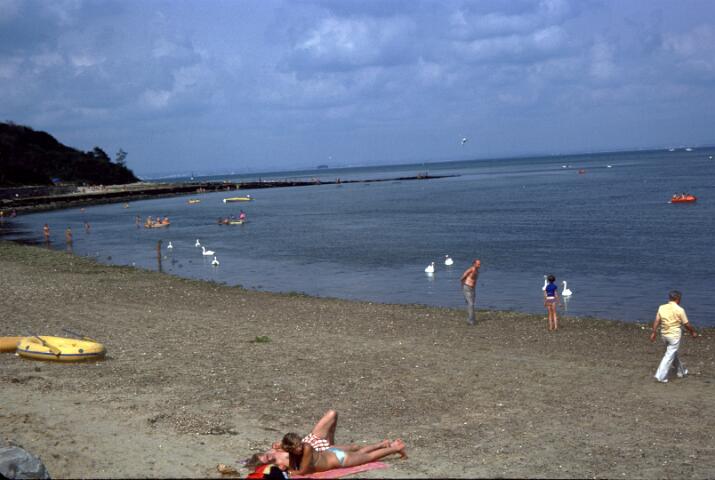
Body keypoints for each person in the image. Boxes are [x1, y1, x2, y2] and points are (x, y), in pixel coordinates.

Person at [650, 290, 698, 383]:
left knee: (672, 353)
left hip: (664, 334)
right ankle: (660, 376)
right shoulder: (680, 310)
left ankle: (681, 371)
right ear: (677, 299)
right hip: (674, 335)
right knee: (669, 356)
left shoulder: (662, 307)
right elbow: (686, 324)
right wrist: (692, 332)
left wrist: (654, 332)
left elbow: (657, 320)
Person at [460, 259, 481, 325]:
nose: (479, 265)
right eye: (478, 264)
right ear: (474, 264)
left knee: (471, 304)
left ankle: (471, 319)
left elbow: (474, 280)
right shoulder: (471, 269)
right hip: (467, 287)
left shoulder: (477, 271)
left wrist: (474, 288)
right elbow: (462, 277)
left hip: (473, 289)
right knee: (471, 304)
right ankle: (471, 321)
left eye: (480, 264)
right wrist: (463, 285)